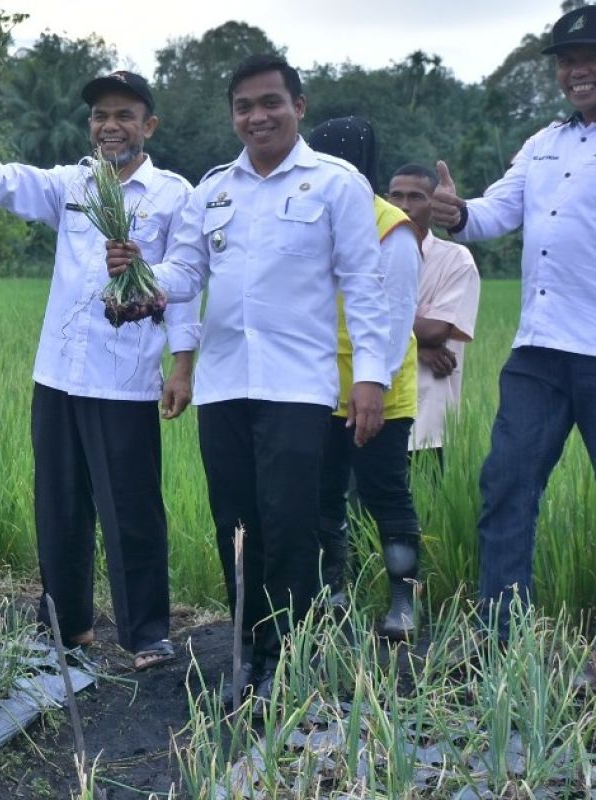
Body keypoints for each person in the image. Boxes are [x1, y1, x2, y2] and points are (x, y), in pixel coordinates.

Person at [109, 55, 389, 701]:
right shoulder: (213, 191)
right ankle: (245, 654)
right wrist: (139, 273)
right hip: (226, 384)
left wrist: (370, 377)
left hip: (297, 385)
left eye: (270, 103)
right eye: (244, 106)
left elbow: (365, 286)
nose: (257, 117)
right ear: (231, 114)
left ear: (299, 105)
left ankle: (282, 662)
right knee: (234, 522)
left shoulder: (335, 184)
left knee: (288, 524)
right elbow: (186, 275)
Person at [0, 70, 199, 670]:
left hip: (124, 377)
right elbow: (2, 182)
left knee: (131, 506)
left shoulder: (173, 194)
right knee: (59, 503)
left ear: (148, 125)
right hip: (58, 374)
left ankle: (147, 634)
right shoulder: (72, 184)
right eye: (100, 115)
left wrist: (181, 362)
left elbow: (190, 280)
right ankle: (67, 624)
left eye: (124, 115)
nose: (110, 126)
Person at [431, 5, 596, 639]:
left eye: (590, 58)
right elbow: (494, 214)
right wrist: (455, 212)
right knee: (506, 485)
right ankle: (501, 639)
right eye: (567, 62)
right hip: (539, 351)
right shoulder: (544, 144)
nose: (578, 71)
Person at [307, 117, 422, 640]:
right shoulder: (315, 218)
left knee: (384, 493)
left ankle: (404, 599)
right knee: (323, 495)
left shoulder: (389, 225)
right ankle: (333, 593)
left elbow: (396, 320)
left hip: (379, 392)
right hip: (318, 388)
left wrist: (371, 386)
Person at [387, 163, 480, 469]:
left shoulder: (455, 260)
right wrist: (419, 347)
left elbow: (436, 331)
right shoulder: (365, 254)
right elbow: (344, 317)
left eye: (415, 197)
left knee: (425, 509)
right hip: (371, 408)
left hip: (429, 415)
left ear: (433, 203)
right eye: (396, 196)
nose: (403, 206)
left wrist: (383, 321)